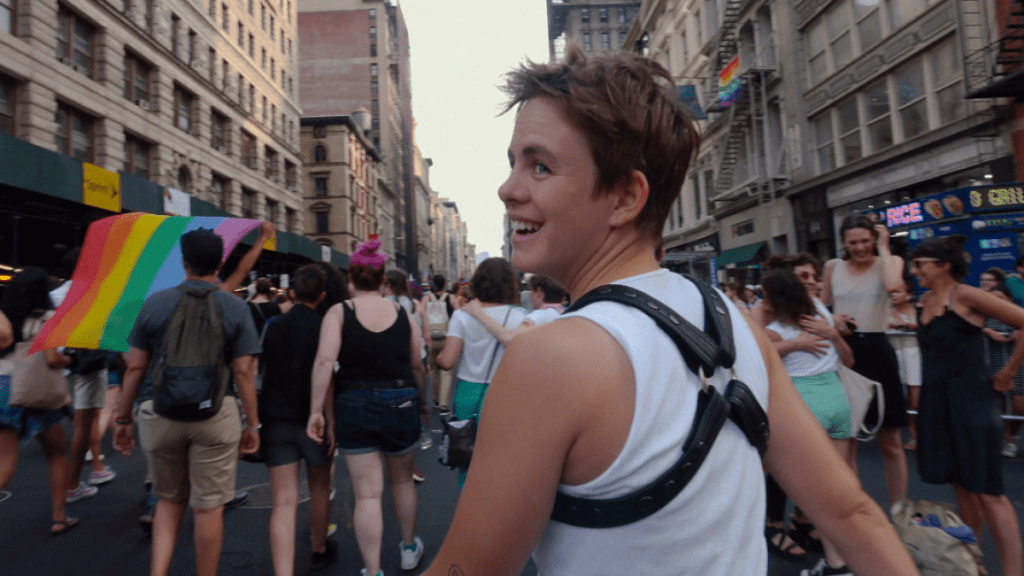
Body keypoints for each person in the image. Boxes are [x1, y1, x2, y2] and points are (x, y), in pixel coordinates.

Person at [422, 46, 915, 576]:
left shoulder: (550, 358)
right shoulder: (732, 318)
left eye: (540, 166)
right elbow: (852, 511)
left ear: (625, 198)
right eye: (513, 163)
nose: (508, 188)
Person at [113, 228, 262, 576]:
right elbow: (243, 373)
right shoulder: (235, 306)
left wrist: (122, 420)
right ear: (220, 263)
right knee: (209, 508)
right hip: (217, 413)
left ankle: (158, 571)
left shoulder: (155, 302)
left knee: (168, 499)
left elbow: (135, 366)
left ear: (184, 262)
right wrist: (252, 425)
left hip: (162, 413)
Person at [306, 237, 427, 576]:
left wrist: (316, 410)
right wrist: (423, 403)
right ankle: (407, 548)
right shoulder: (404, 313)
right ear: (383, 279)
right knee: (402, 482)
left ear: (352, 278)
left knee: (368, 495)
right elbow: (417, 364)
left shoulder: (339, 312)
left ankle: (372, 570)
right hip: (401, 399)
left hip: (354, 402)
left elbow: (324, 361)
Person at [911, 236, 1024, 576]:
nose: (914, 270)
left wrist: (1008, 372)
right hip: (937, 405)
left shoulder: (966, 295)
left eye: (920, 264)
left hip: (973, 403)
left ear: (944, 265)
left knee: (989, 492)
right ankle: (971, 562)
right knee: (961, 487)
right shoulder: (924, 300)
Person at [761, 268, 858, 576]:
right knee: (836, 487)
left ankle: (835, 563)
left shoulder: (777, 330)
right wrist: (831, 333)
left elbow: (756, 354)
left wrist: (792, 345)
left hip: (803, 403)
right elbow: (851, 361)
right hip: (837, 398)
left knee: (814, 493)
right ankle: (844, 554)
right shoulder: (821, 314)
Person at [822, 214, 909, 507]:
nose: (859, 247)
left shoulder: (890, 262)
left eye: (864, 240)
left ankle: (899, 510)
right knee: (848, 440)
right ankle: (855, 509)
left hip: (878, 349)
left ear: (874, 238)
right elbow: (821, 306)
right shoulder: (832, 267)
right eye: (852, 242)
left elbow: (894, 287)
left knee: (892, 443)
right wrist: (832, 318)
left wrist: (885, 246)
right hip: (845, 352)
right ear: (843, 242)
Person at [259, 264, 336, 574]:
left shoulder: (273, 325)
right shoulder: (325, 328)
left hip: (276, 417)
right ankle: (319, 548)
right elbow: (328, 377)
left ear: (291, 292)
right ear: (322, 296)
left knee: (283, 501)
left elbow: (262, 372)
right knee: (319, 486)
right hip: (311, 418)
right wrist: (330, 420)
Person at [436, 257, 527, 487]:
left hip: (468, 391)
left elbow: (447, 361)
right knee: (502, 454)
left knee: (467, 454)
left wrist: (435, 357)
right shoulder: (520, 316)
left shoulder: (463, 315)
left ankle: (470, 508)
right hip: (504, 391)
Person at [0, 268, 76, 535]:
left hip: (4, 385)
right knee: (55, 453)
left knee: (4, 459)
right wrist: (70, 360)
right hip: (38, 391)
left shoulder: (5, 317)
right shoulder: (48, 318)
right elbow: (53, 360)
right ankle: (59, 517)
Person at [49, 249, 116, 503]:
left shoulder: (53, 296)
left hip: (64, 366)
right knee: (86, 422)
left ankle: (97, 467)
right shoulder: (94, 294)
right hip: (90, 366)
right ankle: (74, 483)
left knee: (83, 421)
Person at [979, 268, 1024, 458]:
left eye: (1001, 298)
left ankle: (1011, 433)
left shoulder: (1018, 314)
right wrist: (989, 332)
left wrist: (1019, 331)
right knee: (999, 406)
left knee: (1019, 407)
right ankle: (1008, 440)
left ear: (1009, 300)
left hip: (1017, 364)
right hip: (993, 363)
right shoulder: (984, 317)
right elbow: (973, 327)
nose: (996, 302)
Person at [460, 274, 566, 345]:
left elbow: (511, 340)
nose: (531, 296)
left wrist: (478, 313)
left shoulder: (539, 315)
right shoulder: (563, 312)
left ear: (539, 292)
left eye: (532, 291)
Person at [887, 279, 921, 451]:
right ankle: (914, 435)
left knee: (916, 400)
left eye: (898, 291)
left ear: (908, 295)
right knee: (901, 399)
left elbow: (927, 326)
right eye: (892, 292)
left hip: (914, 355)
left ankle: (923, 434)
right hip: (894, 357)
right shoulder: (885, 312)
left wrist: (914, 326)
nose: (893, 295)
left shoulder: (918, 311)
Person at [423, 275, 456, 411]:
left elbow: (420, 315)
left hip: (431, 338)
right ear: (444, 285)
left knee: (434, 370)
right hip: (446, 339)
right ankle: (443, 403)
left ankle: (436, 399)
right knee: (446, 372)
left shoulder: (426, 298)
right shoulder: (451, 298)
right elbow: (459, 315)